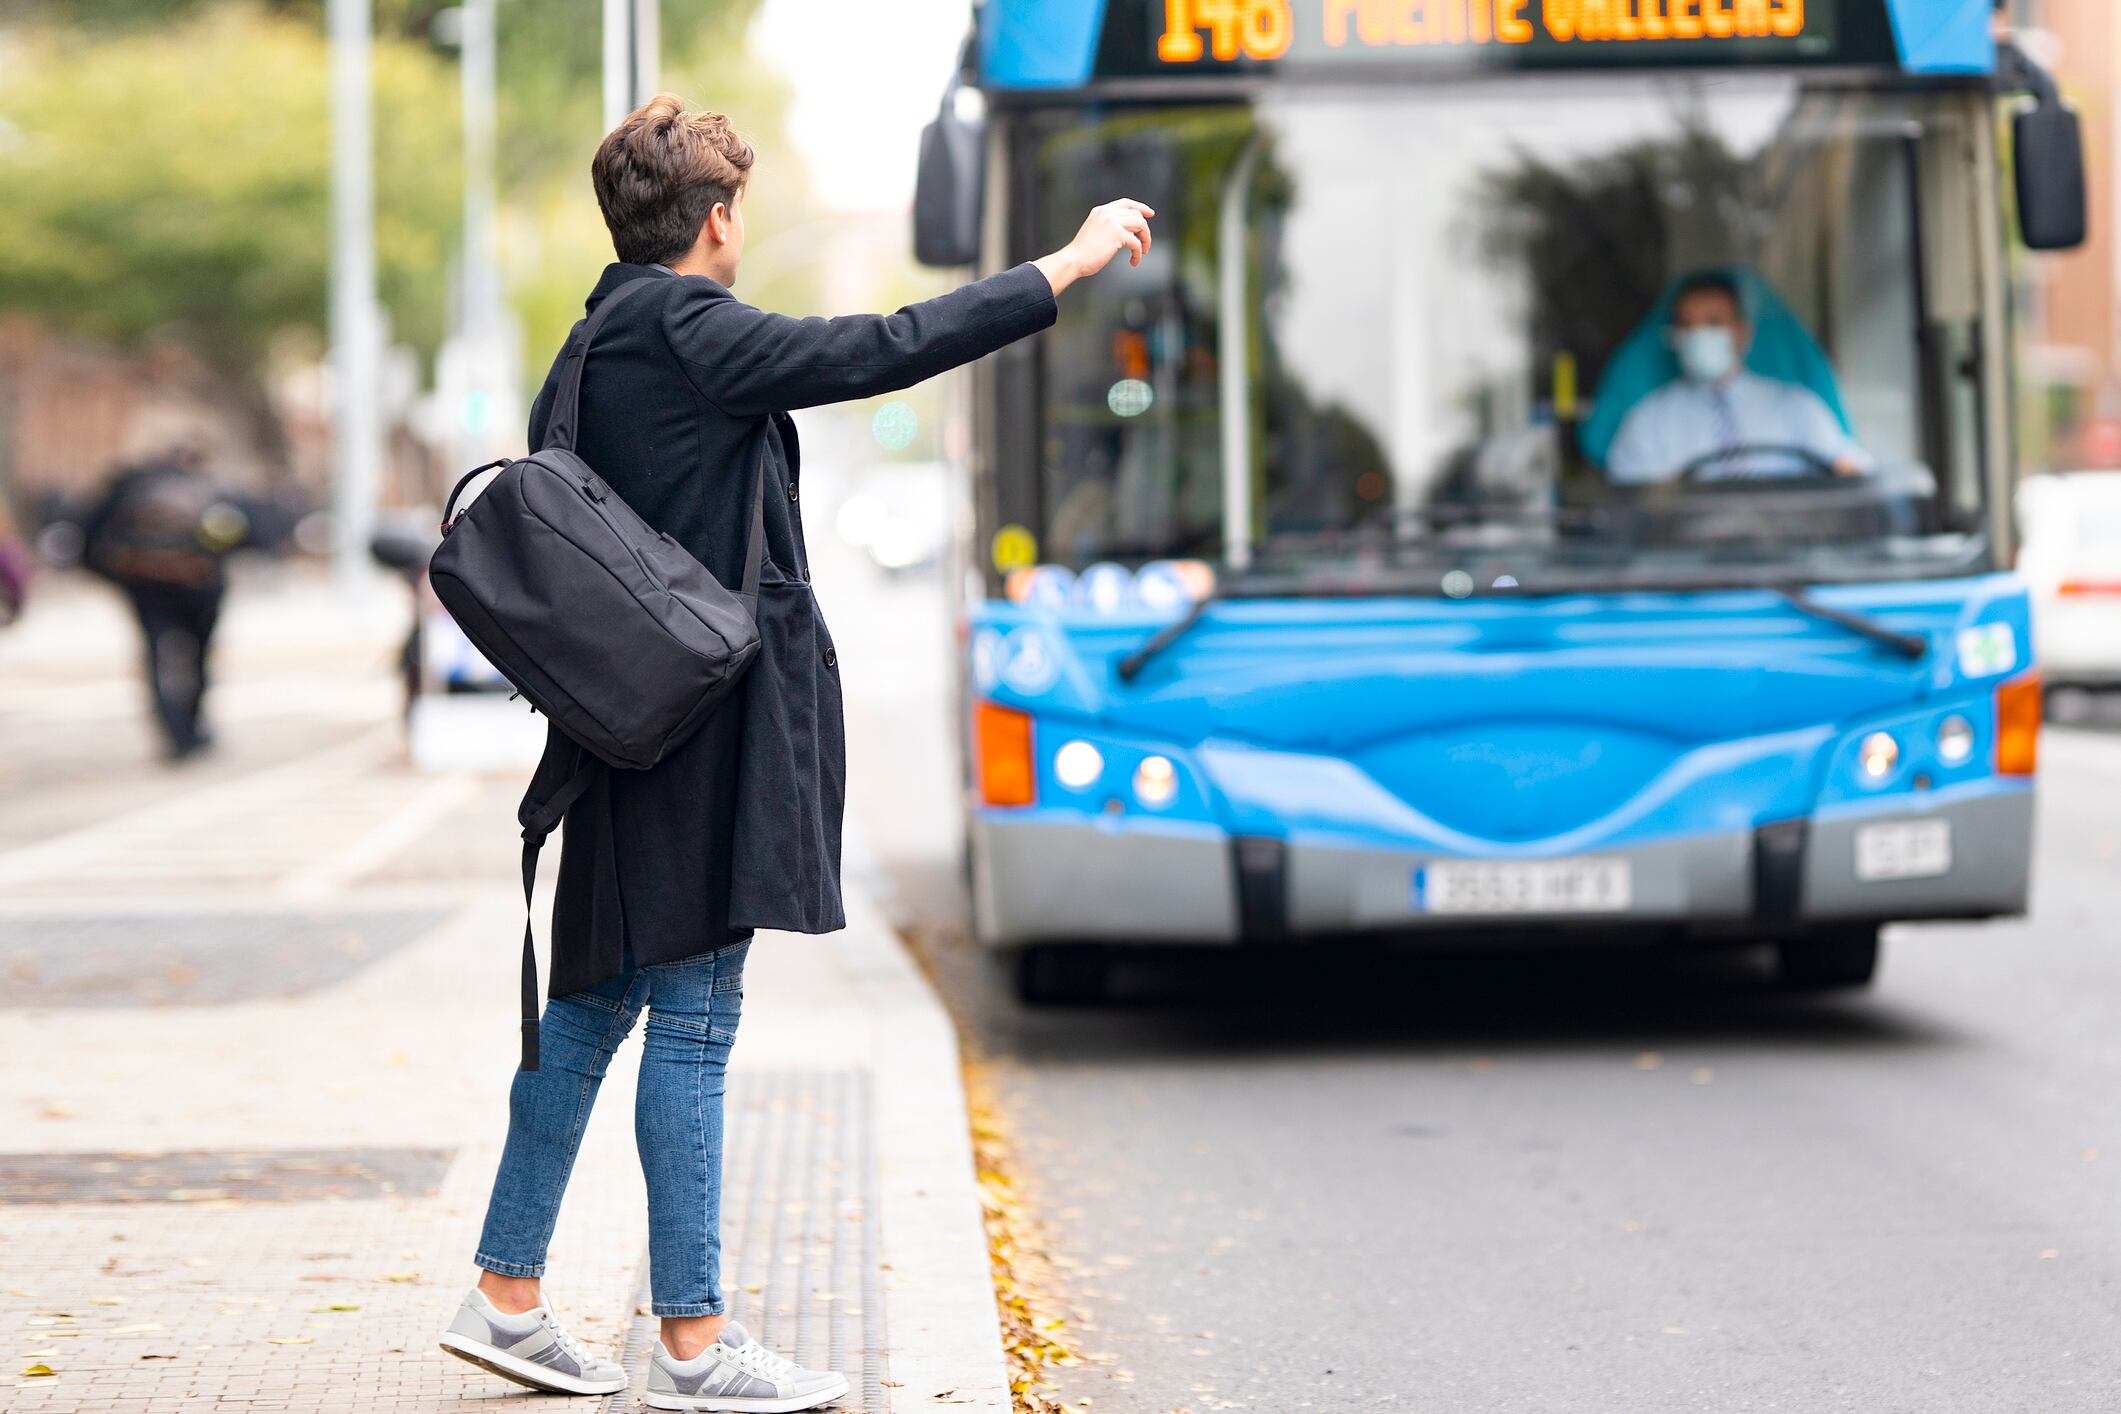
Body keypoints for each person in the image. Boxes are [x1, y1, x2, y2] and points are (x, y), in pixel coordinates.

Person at [436, 95, 1154, 1411]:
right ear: (717, 220)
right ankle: (697, 1341)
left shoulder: (591, 340)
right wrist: (1065, 264)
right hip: (698, 732)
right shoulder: (689, 324)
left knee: (592, 1011)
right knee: (695, 1023)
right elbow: (876, 344)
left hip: (617, 730)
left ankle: (508, 1292)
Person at [1605, 271, 1871, 485]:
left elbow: (1854, 472)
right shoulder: (1648, 421)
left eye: (1713, 323)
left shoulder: (1796, 407)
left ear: (1743, 332)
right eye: (1687, 325)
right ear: (1674, 336)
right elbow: (1629, 501)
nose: (1698, 336)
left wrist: (1847, 470)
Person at [79, 450, 246, 760]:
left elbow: (87, 542)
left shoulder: (130, 487)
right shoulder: (205, 488)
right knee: (198, 657)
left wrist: (123, 578)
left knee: (157, 655)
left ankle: (174, 732)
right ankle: (192, 727)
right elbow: (241, 533)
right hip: (200, 586)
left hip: (147, 587)